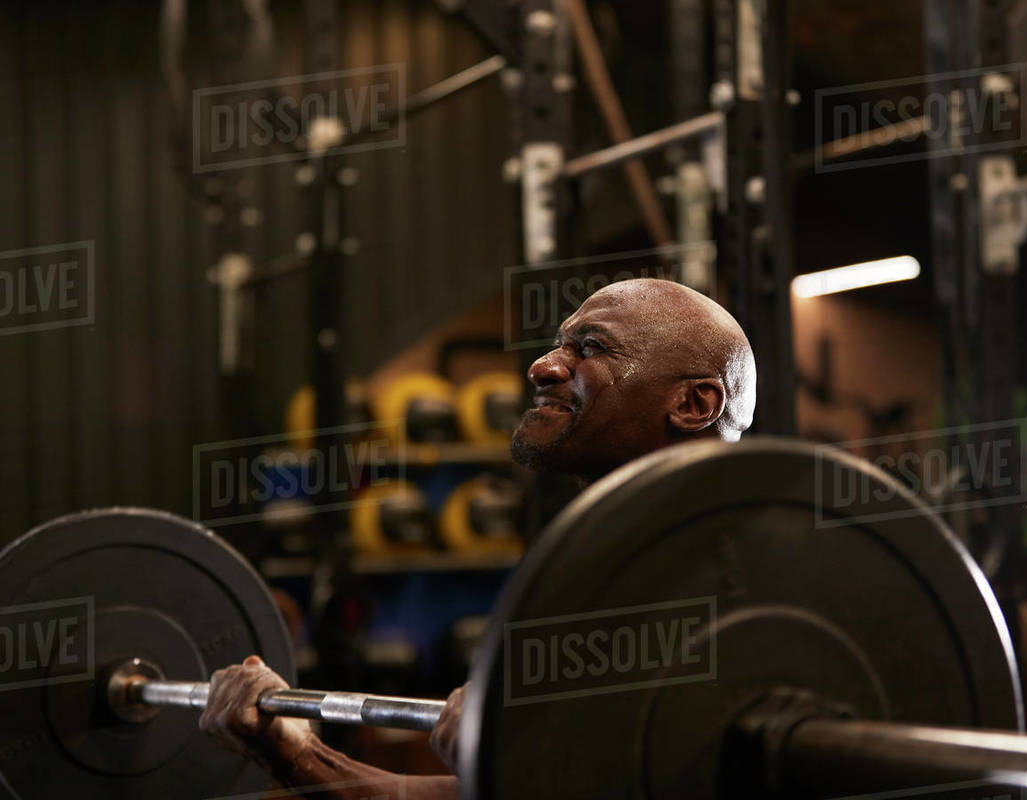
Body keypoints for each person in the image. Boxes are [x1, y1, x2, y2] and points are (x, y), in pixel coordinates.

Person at [199, 279, 757, 799]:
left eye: (589, 349)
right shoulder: (601, 569)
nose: (541, 367)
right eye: (557, 344)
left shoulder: (742, 584)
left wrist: (509, 757)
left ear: (693, 405)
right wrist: (295, 750)